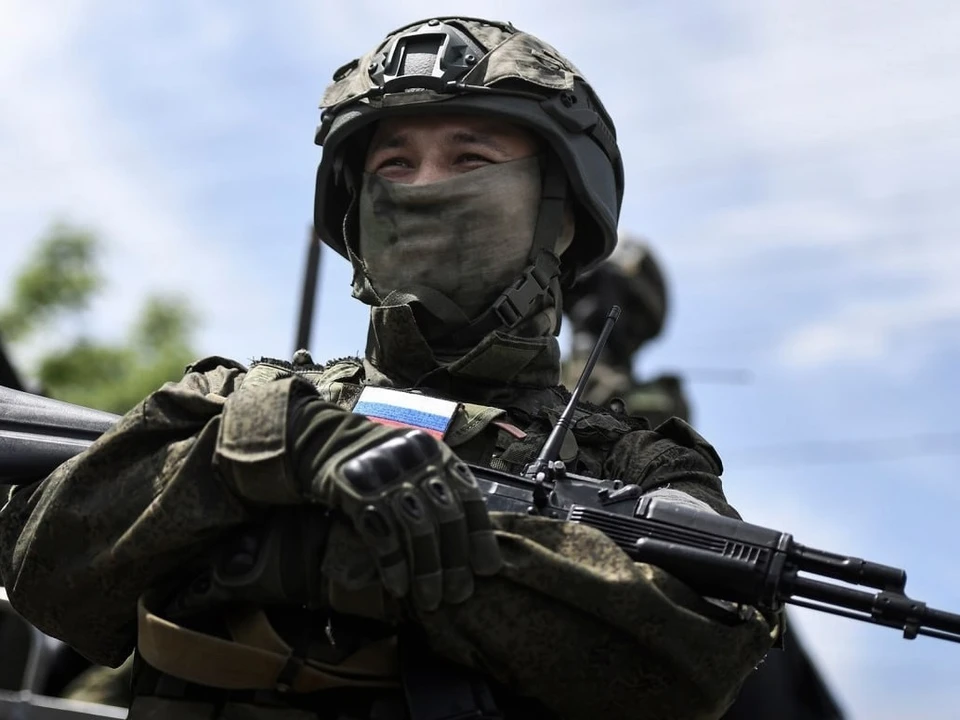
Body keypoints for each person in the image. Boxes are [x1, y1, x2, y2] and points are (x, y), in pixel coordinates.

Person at [0, 17, 778, 720]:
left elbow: (691, 663)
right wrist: (265, 450)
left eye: (469, 158)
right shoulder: (242, 401)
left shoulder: (636, 468)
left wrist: (340, 547)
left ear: (563, 212)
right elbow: (45, 569)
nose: (427, 187)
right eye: (396, 164)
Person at [562, 237, 845, 720]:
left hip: (640, 535)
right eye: (584, 291)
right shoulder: (532, 375)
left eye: (611, 297)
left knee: (750, 634)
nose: (592, 307)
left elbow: (651, 447)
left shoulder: (655, 395)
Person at [562, 234, 690, 428]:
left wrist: (597, 383)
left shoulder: (661, 403)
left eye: (599, 293)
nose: (584, 310)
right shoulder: (536, 376)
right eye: (578, 294)